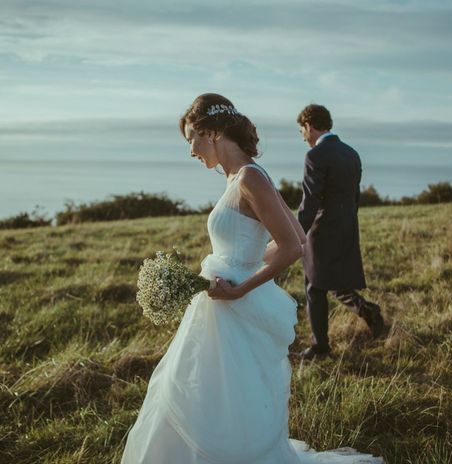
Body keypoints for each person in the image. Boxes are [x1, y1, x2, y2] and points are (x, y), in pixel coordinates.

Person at [120, 93, 384, 463]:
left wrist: (240, 287)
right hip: (220, 306)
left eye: (191, 139)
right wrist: (239, 265)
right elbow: (291, 236)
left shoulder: (249, 177)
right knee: (205, 397)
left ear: (211, 132)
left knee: (226, 401)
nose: (191, 150)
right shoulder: (237, 177)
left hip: (235, 305)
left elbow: (293, 247)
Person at [295, 104, 385, 360]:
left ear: (310, 126)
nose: (303, 136)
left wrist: (296, 234)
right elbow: (354, 195)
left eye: (302, 130)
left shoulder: (315, 156)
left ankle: (319, 346)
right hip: (347, 225)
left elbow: (310, 201)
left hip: (321, 231)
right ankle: (368, 311)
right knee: (331, 281)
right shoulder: (351, 153)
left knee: (314, 286)